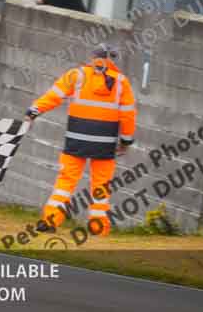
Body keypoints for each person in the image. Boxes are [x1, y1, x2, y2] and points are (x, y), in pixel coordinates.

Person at [24, 43, 136, 237]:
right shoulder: (121, 82)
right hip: (105, 143)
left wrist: (33, 112)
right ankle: (98, 226)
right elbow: (128, 115)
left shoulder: (76, 75)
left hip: (76, 139)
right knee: (101, 185)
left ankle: (50, 221)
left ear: (93, 57)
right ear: (113, 60)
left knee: (66, 181)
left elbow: (53, 96)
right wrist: (125, 141)